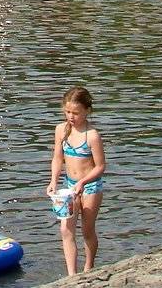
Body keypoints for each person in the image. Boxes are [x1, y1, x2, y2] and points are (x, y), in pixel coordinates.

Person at [48, 86, 106, 275]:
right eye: (67, 112)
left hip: (90, 187)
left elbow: (100, 166)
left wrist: (83, 182)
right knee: (66, 229)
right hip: (70, 188)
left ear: (87, 111)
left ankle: (89, 267)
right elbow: (58, 158)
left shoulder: (92, 135)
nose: (71, 117)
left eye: (76, 113)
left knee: (87, 230)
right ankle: (72, 274)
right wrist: (53, 181)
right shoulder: (61, 130)